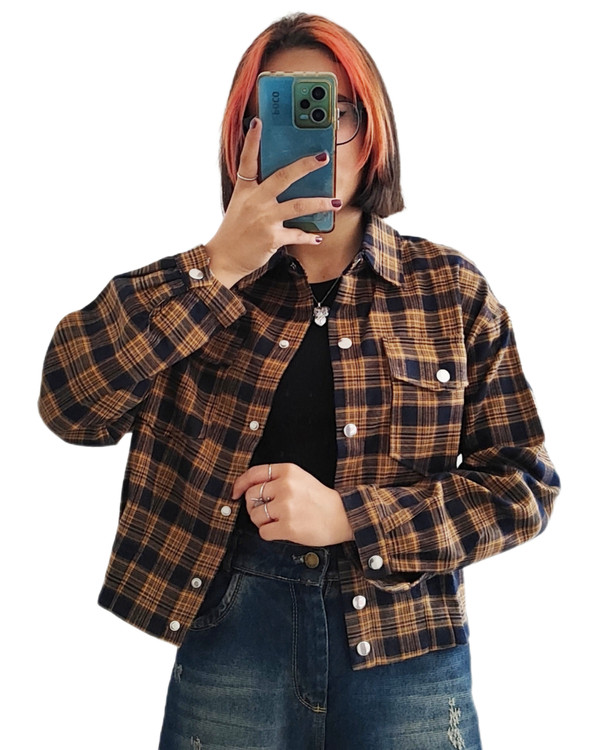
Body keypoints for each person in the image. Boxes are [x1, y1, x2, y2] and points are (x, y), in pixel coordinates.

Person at [38, 12, 560, 750]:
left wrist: (353, 518)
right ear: (245, 138)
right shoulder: (194, 292)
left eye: (335, 111)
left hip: (408, 649)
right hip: (233, 639)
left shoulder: (448, 290)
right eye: (284, 111)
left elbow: (522, 488)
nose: (316, 139)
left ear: (371, 132)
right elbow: (68, 407)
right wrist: (217, 264)